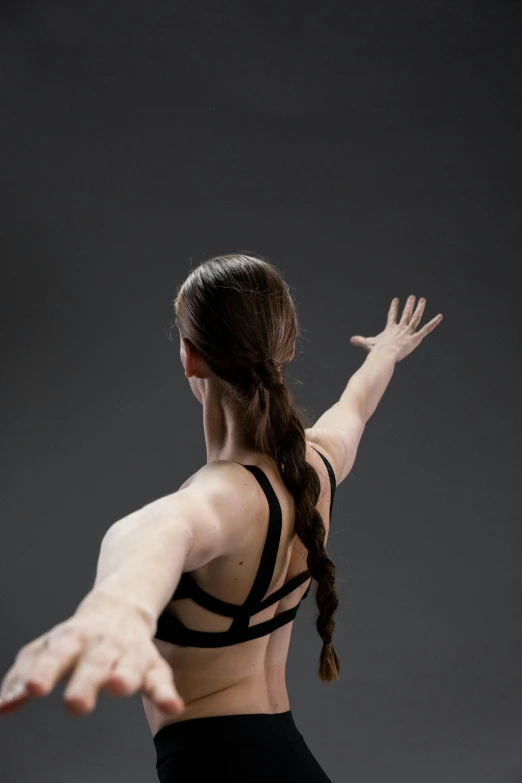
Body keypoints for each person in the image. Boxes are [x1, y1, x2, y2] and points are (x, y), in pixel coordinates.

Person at [0, 253, 443, 782]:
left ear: (191, 356)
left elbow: (154, 532)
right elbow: (356, 403)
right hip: (290, 759)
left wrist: (117, 606)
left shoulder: (216, 498)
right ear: (288, 347)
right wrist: (385, 353)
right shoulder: (317, 465)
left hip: (214, 768)